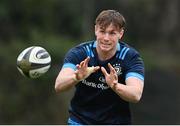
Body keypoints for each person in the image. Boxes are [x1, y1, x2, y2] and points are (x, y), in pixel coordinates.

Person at [55, 9, 145, 125]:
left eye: (112, 33)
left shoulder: (130, 57)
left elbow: (136, 94)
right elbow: (58, 85)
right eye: (102, 31)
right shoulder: (80, 53)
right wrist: (76, 77)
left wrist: (115, 85)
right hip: (80, 121)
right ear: (95, 30)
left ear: (120, 34)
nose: (106, 38)